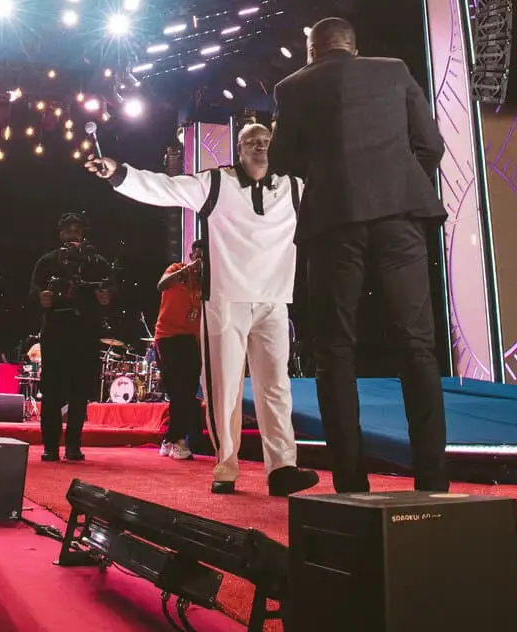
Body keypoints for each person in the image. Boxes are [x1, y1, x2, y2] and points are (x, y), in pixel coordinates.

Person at [269, 16, 450, 493]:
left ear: (312, 49)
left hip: (334, 221)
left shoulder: (292, 87)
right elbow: (431, 145)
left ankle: (350, 484)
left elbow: (282, 160)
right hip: (401, 217)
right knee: (416, 346)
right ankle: (433, 480)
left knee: (334, 351)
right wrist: (397, 182)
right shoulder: (394, 70)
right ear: (353, 45)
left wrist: (329, 170)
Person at [91, 125, 318, 495]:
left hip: (274, 300)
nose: (260, 146)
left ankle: (282, 469)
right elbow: (166, 188)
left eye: (266, 141)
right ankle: (226, 466)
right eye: (251, 141)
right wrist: (120, 175)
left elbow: (335, 200)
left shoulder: (294, 188)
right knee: (223, 388)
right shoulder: (216, 183)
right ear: (239, 150)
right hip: (226, 300)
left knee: (277, 388)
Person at [28, 214, 113, 463]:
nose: (73, 234)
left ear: (83, 234)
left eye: (77, 230)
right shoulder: (48, 261)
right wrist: (41, 297)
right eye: (68, 230)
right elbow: (33, 288)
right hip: (56, 330)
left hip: (85, 331)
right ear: (61, 234)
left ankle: (74, 445)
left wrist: (107, 296)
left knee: (80, 390)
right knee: (52, 391)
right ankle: (50, 447)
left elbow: (113, 286)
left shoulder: (96, 261)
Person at [152, 241, 205, 461]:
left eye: (204, 258)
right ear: (191, 255)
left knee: (188, 392)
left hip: (192, 340)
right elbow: (161, 285)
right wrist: (188, 269)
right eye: (197, 256)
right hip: (168, 337)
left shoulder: (204, 282)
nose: (200, 261)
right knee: (179, 390)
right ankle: (178, 440)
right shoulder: (176, 269)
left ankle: (170, 439)